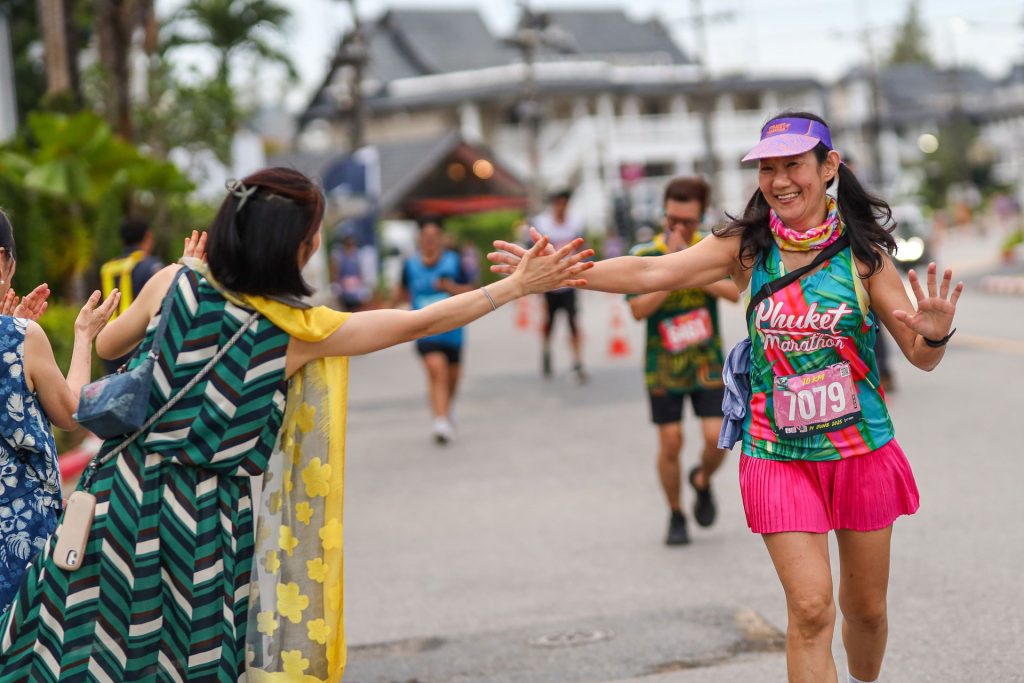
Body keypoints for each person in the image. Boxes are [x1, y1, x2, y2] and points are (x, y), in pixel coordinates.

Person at [0, 168, 591, 682]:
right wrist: (516, 285)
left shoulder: (174, 281)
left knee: (82, 645)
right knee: (190, 656)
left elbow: (110, 345)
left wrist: (175, 289)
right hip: (204, 523)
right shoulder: (295, 331)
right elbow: (418, 322)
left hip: (118, 496)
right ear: (296, 247)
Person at [491, 112, 963, 683]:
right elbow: (651, 274)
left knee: (865, 612)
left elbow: (919, 355)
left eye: (793, 165)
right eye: (768, 169)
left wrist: (934, 333)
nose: (780, 181)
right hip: (777, 453)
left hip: (860, 452)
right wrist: (559, 273)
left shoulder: (863, 255)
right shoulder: (747, 247)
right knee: (810, 608)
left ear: (829, 167)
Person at [0, 210, 120, 612]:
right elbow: (70, 413)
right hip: (18, 536)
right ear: (3, 260)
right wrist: (83, 336)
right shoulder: (20, 338)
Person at [626, 177, 739, 545]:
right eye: (672, 220)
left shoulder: (711, 250)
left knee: (717, 438)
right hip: (662, 366)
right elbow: (639, 310)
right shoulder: (645, 254)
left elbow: (733, 293)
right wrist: (669, 268)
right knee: (671, 441)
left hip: (707, 362)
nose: (678, 228)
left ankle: (702, 479)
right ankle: (676, 513)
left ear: (700, 218)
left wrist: (689, 266)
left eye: (687, 222)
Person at [394, 215, 474, 444]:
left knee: (452, 379)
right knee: (436, 370)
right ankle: (440, 422)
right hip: (425, 331)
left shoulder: (454, 261)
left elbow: (472, 291)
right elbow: (400, 294)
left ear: (441, 238)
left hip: (453, 331)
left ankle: (446, 411)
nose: (430, 240)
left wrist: (450, 287)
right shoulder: (409, 265)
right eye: (425, 236)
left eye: (434, 236)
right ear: (419, 238)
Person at [533, 189, 587, 382]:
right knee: (549, 322)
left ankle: (577, 361)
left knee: (573, 322)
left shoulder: (575, 222)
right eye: (558, 204)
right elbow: (534, 252)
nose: (561, 208)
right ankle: (546, 350)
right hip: (549, 283)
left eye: (564, 204)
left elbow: (583, 248)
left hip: (569, 281)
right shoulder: (542, 223)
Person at [100, 216, 164, 371]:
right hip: (138, 344)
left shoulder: (107, 268)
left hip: (110, 343)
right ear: (148, 237)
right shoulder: (151, 266)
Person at [330, 228, 372, 311]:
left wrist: (362, 284)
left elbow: (361, 271)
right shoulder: (337, 255)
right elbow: (335, 271)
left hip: (356, 287)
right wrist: (336, 284)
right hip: (343, 287)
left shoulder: (358, 254)